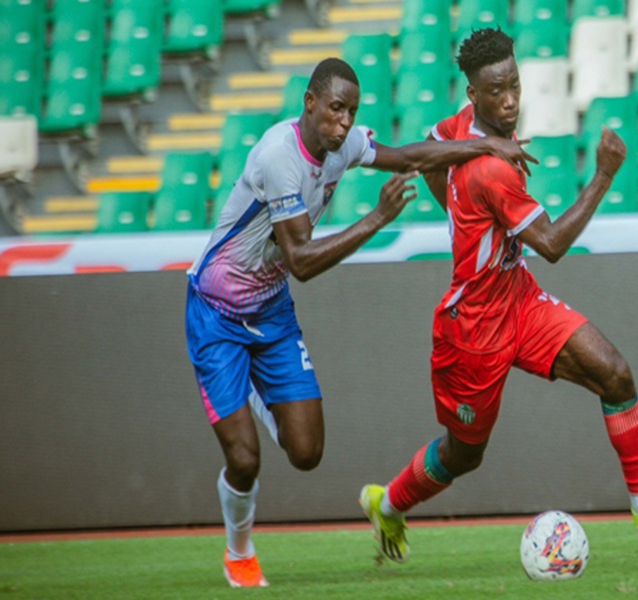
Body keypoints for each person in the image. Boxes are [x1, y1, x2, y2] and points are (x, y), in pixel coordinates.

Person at [359, 28, 638, 564]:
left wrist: (458, 208)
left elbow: (431, 151)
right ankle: (389, 502)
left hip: (518, 301)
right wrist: (603, 176)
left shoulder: (459, 128)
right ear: (474, 94)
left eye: (515, 86)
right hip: (472, 330)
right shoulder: (492, 169)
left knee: (614, 373)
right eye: (496, 92)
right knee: (462, 456)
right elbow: (550, 244)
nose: (510, 102)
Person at [185, 57, 536, 588]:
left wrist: (486, 145)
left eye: (351, 112)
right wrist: (376, 219)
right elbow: (301, 260)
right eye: (335, 109)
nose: (344, 123)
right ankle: (239, 551)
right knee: (246, 458)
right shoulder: (280, 156)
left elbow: (408, 156)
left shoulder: (341, 145)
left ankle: (254, 390)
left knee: (307, 454)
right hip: (216, 313)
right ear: (309, 103)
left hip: (271, 312)